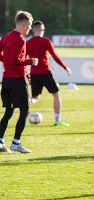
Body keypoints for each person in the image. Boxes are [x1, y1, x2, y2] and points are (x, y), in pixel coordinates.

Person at [0, 11, 38, 153]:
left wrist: (7, 62)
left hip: (6, 79)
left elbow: (2, 55)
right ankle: (16, 142)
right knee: (25, 110)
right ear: (23, 24)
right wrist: (31, 61)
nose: (29, 28)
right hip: (17, 79)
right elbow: (17, 60)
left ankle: (0, 141)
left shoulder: (6, 36)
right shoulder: (21, 40)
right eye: (28, 25)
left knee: (9, 111)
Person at [27, 21, 72, 126]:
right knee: (56, 94)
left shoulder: (27, 43)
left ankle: (27, 103)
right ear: (43, 30)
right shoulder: (46, 41)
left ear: (33, 30)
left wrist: (27, 74)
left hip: (34, 74)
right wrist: (66, 68)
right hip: (45, 73)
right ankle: (57, 120)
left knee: (35, 98)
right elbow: (55, 57)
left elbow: (23, 59)